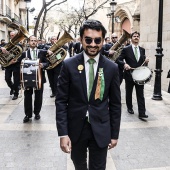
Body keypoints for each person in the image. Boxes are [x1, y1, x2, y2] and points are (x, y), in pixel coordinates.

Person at [56, 19, 121, 170]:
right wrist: (63, 133)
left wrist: (114, 133)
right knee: (79, 165)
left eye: (97, 40)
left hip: (101, 128)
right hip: (76, 129)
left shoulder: (111, 68)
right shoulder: (68, 65)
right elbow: (61, 101)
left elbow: (115, 104)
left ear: (103, 41)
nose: (93, 44)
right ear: (81, 40)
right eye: (88, 40)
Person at [116, 31, 149, 119]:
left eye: (137, 36)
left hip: (140, 76)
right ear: (131, 38)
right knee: (129, 92)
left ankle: (142, 112)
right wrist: (124, 65)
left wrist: (146, 61)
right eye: (134, 36)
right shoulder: (126, 49)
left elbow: (143, 63)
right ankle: (129, 107)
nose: (136, 37)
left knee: (140, 94)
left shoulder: (142, 49)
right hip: (129, 75)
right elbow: (118, 59)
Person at [18, 35, 49, 123]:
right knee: (27, 96)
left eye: (35, 40)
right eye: (31, 40)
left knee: (38, 96)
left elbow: (48, 63)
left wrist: (43, 65)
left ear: (37, 42)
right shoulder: (24, 53)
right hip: (27, 78)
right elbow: (19, 65)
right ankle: (28, 114)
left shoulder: (42, 52)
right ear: (28, 42)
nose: (33, 42)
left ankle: (37, 112)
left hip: (39, 78)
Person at [0, 31, 21, 100]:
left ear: (16, 36)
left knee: (16, 80)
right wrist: (1, 48)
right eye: (11, 35)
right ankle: (12, 88)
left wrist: (16, 60)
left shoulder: (19, 45)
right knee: (7, 78)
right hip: (8, 65)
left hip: (16, 65)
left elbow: (22, 55)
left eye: (13, 35)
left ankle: (16, 94)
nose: (12, 36)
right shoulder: (6, 44)